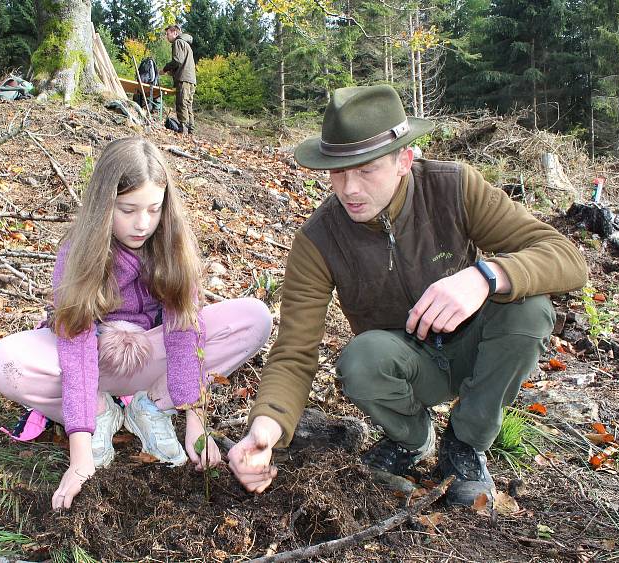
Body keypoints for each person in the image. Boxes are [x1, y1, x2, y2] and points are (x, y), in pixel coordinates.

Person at [228, 85, 588, 508]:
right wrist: (264, 429)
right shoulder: (320, 239)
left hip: (478, 347)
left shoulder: (453, 189)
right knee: (361, 359)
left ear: (404, 161)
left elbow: (566, 258)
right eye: (338, 171)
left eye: (366, 170)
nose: (349, 189)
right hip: (407, 366)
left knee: (530, 309)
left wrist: (484, 276)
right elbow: (294, 351)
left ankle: (465, 443)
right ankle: (412, 438)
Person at [0, 137, 272, 510]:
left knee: (255, 318)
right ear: (104, 204)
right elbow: (75, 347)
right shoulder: (79, 252)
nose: (143, 224)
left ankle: (152, 406)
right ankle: (100, 413)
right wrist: (80, 453)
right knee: (3, 362)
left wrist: (196, 419)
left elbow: (185, 331)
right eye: (128, 209)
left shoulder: (171, 244)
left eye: (154, 209)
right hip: (94, 364)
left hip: (154, 360)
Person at [162, 24, 196, 135]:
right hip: (191, 80)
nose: (167, 37)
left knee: (181, 103)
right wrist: (172, 72)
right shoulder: (186, 44)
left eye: (168, 34)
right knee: (188, 104)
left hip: (183, 79)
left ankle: (183, 130)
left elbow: (177, 60)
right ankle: (190, 130)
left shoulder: (178, 42)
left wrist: (165, 69)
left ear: (175, 33)